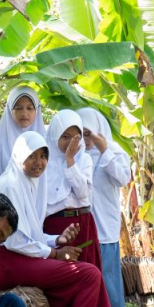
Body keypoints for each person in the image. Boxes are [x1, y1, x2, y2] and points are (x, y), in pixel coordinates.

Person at [0, 132, 115, 307]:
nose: (39, 162)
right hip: (7, 262)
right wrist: (55, 254)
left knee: (79, 273)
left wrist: (57, 240)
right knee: (88, 274)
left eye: (43, 156)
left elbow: (30, 234)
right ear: (19, 157)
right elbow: (15, 241)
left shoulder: (24, 183)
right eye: (32, 156)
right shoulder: (10, 186)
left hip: (16, 258)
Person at [79, 107, 134, 307]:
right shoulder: (74, 155)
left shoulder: (114, 152)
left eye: (89, 133)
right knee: (89, 282)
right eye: (80, 133)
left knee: (110, 281)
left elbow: (122, 179)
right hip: (82, 229)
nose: (86, 139)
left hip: (106, 227)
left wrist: (103, 149)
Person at [42, 110, 102, 272]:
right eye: (65, 137)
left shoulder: (84, 159)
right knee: (61, 273)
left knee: (88, 272)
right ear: (55, 136)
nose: (70, 142)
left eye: (75, 137)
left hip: (82, 224)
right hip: (55, 226)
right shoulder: (43, 162)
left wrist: (70, 161)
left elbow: (83, 193)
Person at [0, 87, 47, 184]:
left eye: (29, 108)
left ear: (37, 111)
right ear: (10, 110)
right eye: (18, 108)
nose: (24, 113)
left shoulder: (45, 143)